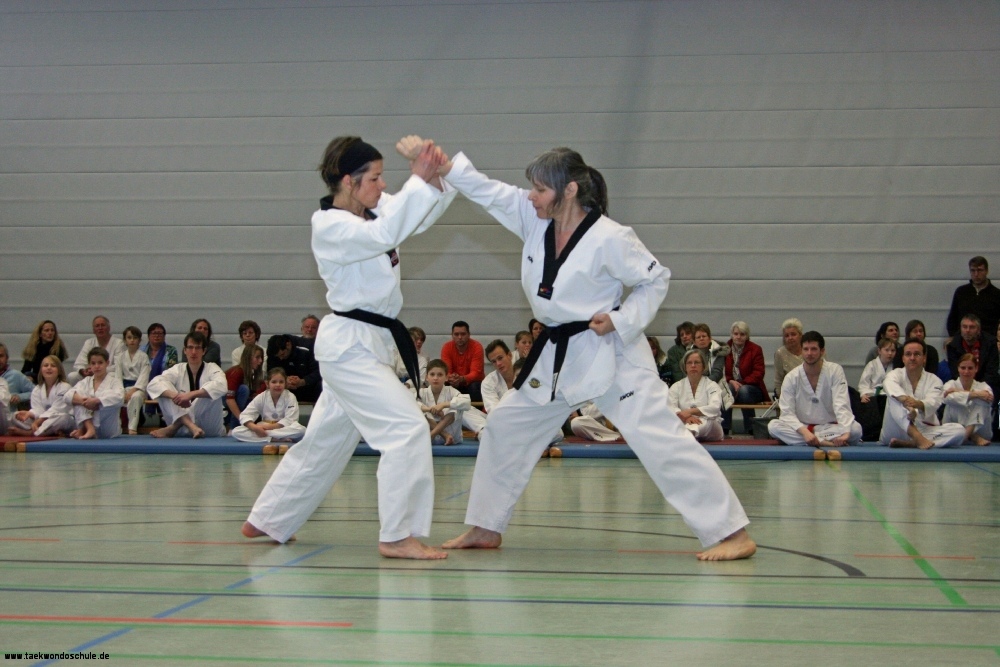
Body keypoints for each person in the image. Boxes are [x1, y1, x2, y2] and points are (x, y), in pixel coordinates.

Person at [403, 137, 754, 560]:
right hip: (557, 352)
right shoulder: (534, 219)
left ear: (568, 190)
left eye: (540, 189)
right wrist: (444, 168)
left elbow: (655, 279)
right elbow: (488, 191)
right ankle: (485, 526)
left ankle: (732, 533)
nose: (532, 196)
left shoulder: (610, 237)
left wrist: (621, 319)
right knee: (504, 427)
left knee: (658, 435)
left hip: (609, 349)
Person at [242, 135, 455, 560]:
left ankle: (268, 518)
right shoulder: (330, 225)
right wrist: (418, 178)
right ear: (348, 181)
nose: (382, 184)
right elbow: (388, 231)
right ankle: (397, 535)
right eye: (374, 178)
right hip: (349, 348)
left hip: (370, 343)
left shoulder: (374, 211)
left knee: (325, 441)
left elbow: (418, 216)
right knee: (406, 429)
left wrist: (435, 173)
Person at [768, 331, 862, 447]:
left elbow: (841, 404)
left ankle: (813, 441)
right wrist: (805, 432)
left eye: (813, 349)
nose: (809, 353)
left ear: (822, 351)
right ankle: (825, 442)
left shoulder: (835, 371)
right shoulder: (791, 377)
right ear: (801, 351)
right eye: (806, 349)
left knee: (856, 430)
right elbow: (787, 413)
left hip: (830, 426)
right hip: (804, 427)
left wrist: (846, 432)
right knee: (773, 426)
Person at [880, 338, 965, 449]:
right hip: (895, 430)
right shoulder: (894, 374)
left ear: (924, 358)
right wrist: (906, 403)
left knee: (959, 431)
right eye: (908, 354)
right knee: (894, 398)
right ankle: (917, 437)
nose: (912, 358)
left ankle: (912, 443)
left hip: (923, 430)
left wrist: (917, 404)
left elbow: (933, 403)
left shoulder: (935, 380)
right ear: (903, 358)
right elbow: (888, 384)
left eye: (917, 354)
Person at [147, 331, 227, 439]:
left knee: (210, 391)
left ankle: (175, 425)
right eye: (190, 347)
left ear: (204, 351)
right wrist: (175, 396)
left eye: (197, 348)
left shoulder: (212, 368)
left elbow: (223, 386)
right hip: (183, 431)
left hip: (210, 428)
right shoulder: (177, 369)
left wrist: (191, 395)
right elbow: (152, 384)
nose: (193, 352)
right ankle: (190, 425)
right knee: (163, 388)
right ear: (185, 350)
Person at [230, 368, 306, 444]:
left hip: (281, 428)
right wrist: (255, 428)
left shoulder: (290, 397)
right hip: (263, 426)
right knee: (236, 432)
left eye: (281, 382)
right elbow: (246, 415)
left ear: (285, 383)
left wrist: (268, 428)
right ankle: (274, 438)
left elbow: (290, 419)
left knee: (301, 430)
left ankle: (267, 436)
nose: (278, 385)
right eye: (274, 382)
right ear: (267, 383)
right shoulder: (261, 397)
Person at [65, 347, 125, 440]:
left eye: (100, 363)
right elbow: (67, 396)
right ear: (89, 365)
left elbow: (120, 398)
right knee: (78, 395)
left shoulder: (114, 381)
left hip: (109, 429)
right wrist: (85, 402)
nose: (97, 366)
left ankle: (83, 429)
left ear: (107, 363)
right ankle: (89, 428)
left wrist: (97, 401)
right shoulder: (86, 381)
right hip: (91, 426)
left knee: (106, 395)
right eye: (93, 363)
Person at [8, 355, 74, 437]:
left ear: (59, 371)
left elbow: (56, 410)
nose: (49, 368)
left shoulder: (65, 387)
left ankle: (31, 433)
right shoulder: (37, 389)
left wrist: (37, 422)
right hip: (42, 421)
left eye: (53, 366)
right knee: (15, 416)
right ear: (41, 370)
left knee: (61, 418)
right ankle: (47, 431)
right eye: (46, 365)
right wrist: (30, 414)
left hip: (62, 421)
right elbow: (38, 409)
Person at [667, 349, 724, 442]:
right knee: (673, 422)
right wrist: (686, 417)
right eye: (689, 363)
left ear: (703, 366)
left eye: (697, 362)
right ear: (685, 367)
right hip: (685, 421)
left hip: (710, 424)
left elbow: (715, 407)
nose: (693, 365)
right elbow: (670, 406)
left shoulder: (712, 385)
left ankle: (686, 435)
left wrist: (690, 411)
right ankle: (687, 435)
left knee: (704, 423)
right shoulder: (676, 386)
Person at [723, 321, 769, 434]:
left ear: (747, 336)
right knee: (726, 390)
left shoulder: (756, 349)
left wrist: (742, 383)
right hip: (731, 384)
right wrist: (730, 381)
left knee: (744, 391)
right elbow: (721, 371)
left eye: (742, 334)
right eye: (736, 334)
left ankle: (750, 428)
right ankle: (724, 428)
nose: (738, 337)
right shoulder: (724, 349)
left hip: (752, 388)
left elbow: (759, 373)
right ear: (732, 335)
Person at [941, 354, 994, 446]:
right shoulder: (950, 384)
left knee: (983, 403)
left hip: (981, 432)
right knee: (953, 402)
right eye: (963, 368)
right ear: (958, 368)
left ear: (976, 369)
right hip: (953, 430)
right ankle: (973, 436)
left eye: (970, 368)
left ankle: (966, 434)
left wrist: (958, 391)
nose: (966, 371)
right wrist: (977, 394)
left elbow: (989, 398)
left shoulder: (983, 386)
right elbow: (946, 398)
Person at [418, 359, 471, 446]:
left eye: (440, 375)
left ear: (446, 377)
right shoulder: (422, 392)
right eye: (432, 374)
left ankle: (432, 435)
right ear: (427, 377)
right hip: (435, 435)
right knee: (419, 411)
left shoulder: (451, 391)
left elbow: (466, 401)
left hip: (451, 435)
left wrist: (443, 405)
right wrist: (430, 409)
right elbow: (410, 405)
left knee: (454, 410)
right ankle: (443, 434)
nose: (435, 378)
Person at [946, 256, 1000, 339]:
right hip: (963, 340)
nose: (976, 274)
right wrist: (954, 337)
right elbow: (953, 318)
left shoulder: (996, 294)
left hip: (988, 341)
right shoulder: (961, 292)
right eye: (973, 270)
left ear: (986, 271)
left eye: (980, 270)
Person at [68, 315, 125, 385]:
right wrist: (83, 371)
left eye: (103, 325)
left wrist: (98, 370)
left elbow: (118, 366)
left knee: (114, 375)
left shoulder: (118, 343)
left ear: (109, 328)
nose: (100, 328)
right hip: (91, 374)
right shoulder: (89, 343)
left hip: (108, 374)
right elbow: (78, 364)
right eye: (97, 326)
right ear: (93, 330)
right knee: (72, 376)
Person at [945, 314, 999, 386]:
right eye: (964, 327)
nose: (967, 330)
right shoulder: (953, 346)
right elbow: (955, 373)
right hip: (962, 385)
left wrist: (979, 388)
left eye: (972, 327)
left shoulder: (990, 343)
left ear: (979, 330)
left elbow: (991, 372)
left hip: (987, 385)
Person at [266, 334, 321, 403]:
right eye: (278, 357)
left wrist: (303, 381)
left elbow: (318, 371)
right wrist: (284, 380)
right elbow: (271, 372)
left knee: (320, 385)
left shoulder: (308, 347)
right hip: (286, 385)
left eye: (282, 354)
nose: (281, 358)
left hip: (308, 385)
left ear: (288, 345)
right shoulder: (272, 354)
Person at [116, 326, 151, 435]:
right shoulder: (120, 357)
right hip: (123, 388)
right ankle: (116, 426)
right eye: (129, 337)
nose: (132, 340)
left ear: (139, 340)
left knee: (135, 397)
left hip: (139, 389)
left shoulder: (144, 357)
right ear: (125, 340)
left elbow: (144, 376)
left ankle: (132, 428)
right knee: (114, 396)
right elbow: (118, 377)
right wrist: (121, 391)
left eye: (135, 338)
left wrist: (133, 390)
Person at [440, 321, 485, 402]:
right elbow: (446, 371)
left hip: (471, 384)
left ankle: (476, 409)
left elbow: (476, 373)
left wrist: (462, 379)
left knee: (475, 386)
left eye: (463, 334)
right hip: (454, 383)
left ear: (469, 334)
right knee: (442, 384)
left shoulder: (477, 347)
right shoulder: (446, 347)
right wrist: (451, 378)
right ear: (452, 335)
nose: (460, 337)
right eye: (456, 334)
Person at [225, 344, 266, 430]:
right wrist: (242, 420)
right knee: (244, 389)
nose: (260, 361)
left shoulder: (251, 373)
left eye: (261, 358)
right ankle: (234, 426)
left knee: (256, 398)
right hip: (222, 400)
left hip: (232, 398)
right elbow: (229, 399)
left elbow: (262, 386)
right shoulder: (237, 372)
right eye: (257, 357)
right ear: (248, 358)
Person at [481, 339, 516, 413]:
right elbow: (494, 411)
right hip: (501, 418)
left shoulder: (524, 374)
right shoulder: (488, 382)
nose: (498, 363)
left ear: (509, 355)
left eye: (500, 358)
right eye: (494, 361)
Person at [773, 317, 804, 397]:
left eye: (793, 334)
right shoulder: (780, 353)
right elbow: (778, 380)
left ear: (800, 335)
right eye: (787, 336)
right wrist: (782, 398)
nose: (790, 338)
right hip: (789, 394)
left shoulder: (809, 350)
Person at [859, 337, 895, 402]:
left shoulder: (895, 366)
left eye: (893, 350)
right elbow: (863, 384)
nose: (890, 353)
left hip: (889, 397)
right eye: (887, 350)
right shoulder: (872, 365)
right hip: (873, 396)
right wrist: (863, 394)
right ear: (879, 351)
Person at [0, 343, 34, 411]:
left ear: (7, 358)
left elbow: (36, 392)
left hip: (9, 416)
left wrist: (20, 397)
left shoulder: (16, 375)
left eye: (1, 356)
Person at [666, 321, 695, 386]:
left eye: (687, 333)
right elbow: (677, 373)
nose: (684, 336)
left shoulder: (700, 348)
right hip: (681, 384)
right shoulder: (673, 351)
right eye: (682, 335)